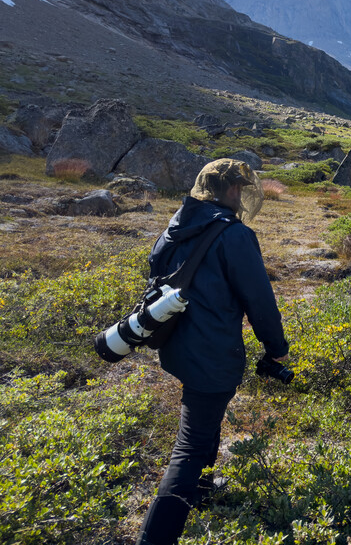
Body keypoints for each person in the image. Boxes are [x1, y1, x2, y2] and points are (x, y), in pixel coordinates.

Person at [137, 159, 289, 545]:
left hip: (177, 345)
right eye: (238, 188)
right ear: (232, 191)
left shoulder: (175, 226)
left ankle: (201, 490)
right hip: (212, 351)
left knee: (203, 421)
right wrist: (277, 349)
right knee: (189, 445)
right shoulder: (234, 235)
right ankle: (156, 537)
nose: (241, 196)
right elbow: (260, 301)